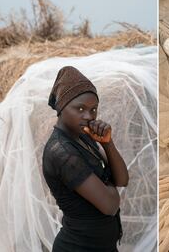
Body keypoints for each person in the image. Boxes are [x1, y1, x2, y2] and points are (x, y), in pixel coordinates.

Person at [43, 66, 129, 251]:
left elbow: (122, 179)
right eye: (80, 108)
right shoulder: (61, 152)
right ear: (61, 107)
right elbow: (110, 205)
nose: (88, 116)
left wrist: (107, 143)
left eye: (93, 109)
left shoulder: (83, 137)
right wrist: (108, 182)